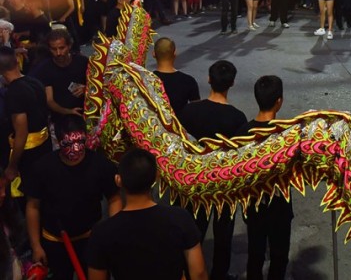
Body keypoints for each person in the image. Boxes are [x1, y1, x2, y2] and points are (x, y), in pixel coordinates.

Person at [87, 149, 207, 280]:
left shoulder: (102, 232)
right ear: (156, 176)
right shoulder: (180, 218)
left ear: (118, 180)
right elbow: (199, 272)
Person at [24, 119, 121, 280]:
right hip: (54, 241)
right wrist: (36, 246)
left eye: (80, 142)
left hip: (90, 238)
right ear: (58, 140)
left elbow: (114, 198)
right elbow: (33, 206)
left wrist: (112, 234)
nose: (75, 149)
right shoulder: (42, 168)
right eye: (68, 143)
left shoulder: (100, 164)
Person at [179, 61, 247, 280]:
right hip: (223, 187)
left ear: (209, 79)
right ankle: (219, 274)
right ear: (232, 83)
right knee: (223, 233)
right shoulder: (237, 118)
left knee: (191, 232)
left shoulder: (189, 111)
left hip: (194, 182)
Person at [234, 76, 293, 280]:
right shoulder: (288, 134)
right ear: (279, 101)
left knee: (255, 253)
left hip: (253, 205)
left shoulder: (242, 133)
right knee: (279, 256)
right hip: (280, 208)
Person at [0, 47, 52, 200]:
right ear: (17, 61)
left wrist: (12, 166)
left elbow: (21, 132)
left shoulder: (14, 92)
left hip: (29, 155)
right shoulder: (34, 82)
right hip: (44, 146)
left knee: (31, 198)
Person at [30, 29, 88, 133]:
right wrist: (69, 112)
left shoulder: (82, 62)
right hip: (62, 119)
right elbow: (50, 100)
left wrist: (86, 89)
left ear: (69, 46)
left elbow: (98, 84)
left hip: (87, 112)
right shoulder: (45, 69)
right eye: (54, 49)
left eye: (62, 48)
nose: (58, 53)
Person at [152, 37, 200, 115]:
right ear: (175, 53)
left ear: (153, 54)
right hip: (180, 125)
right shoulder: (189, 81)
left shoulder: (147, 80)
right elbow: (196, 110)